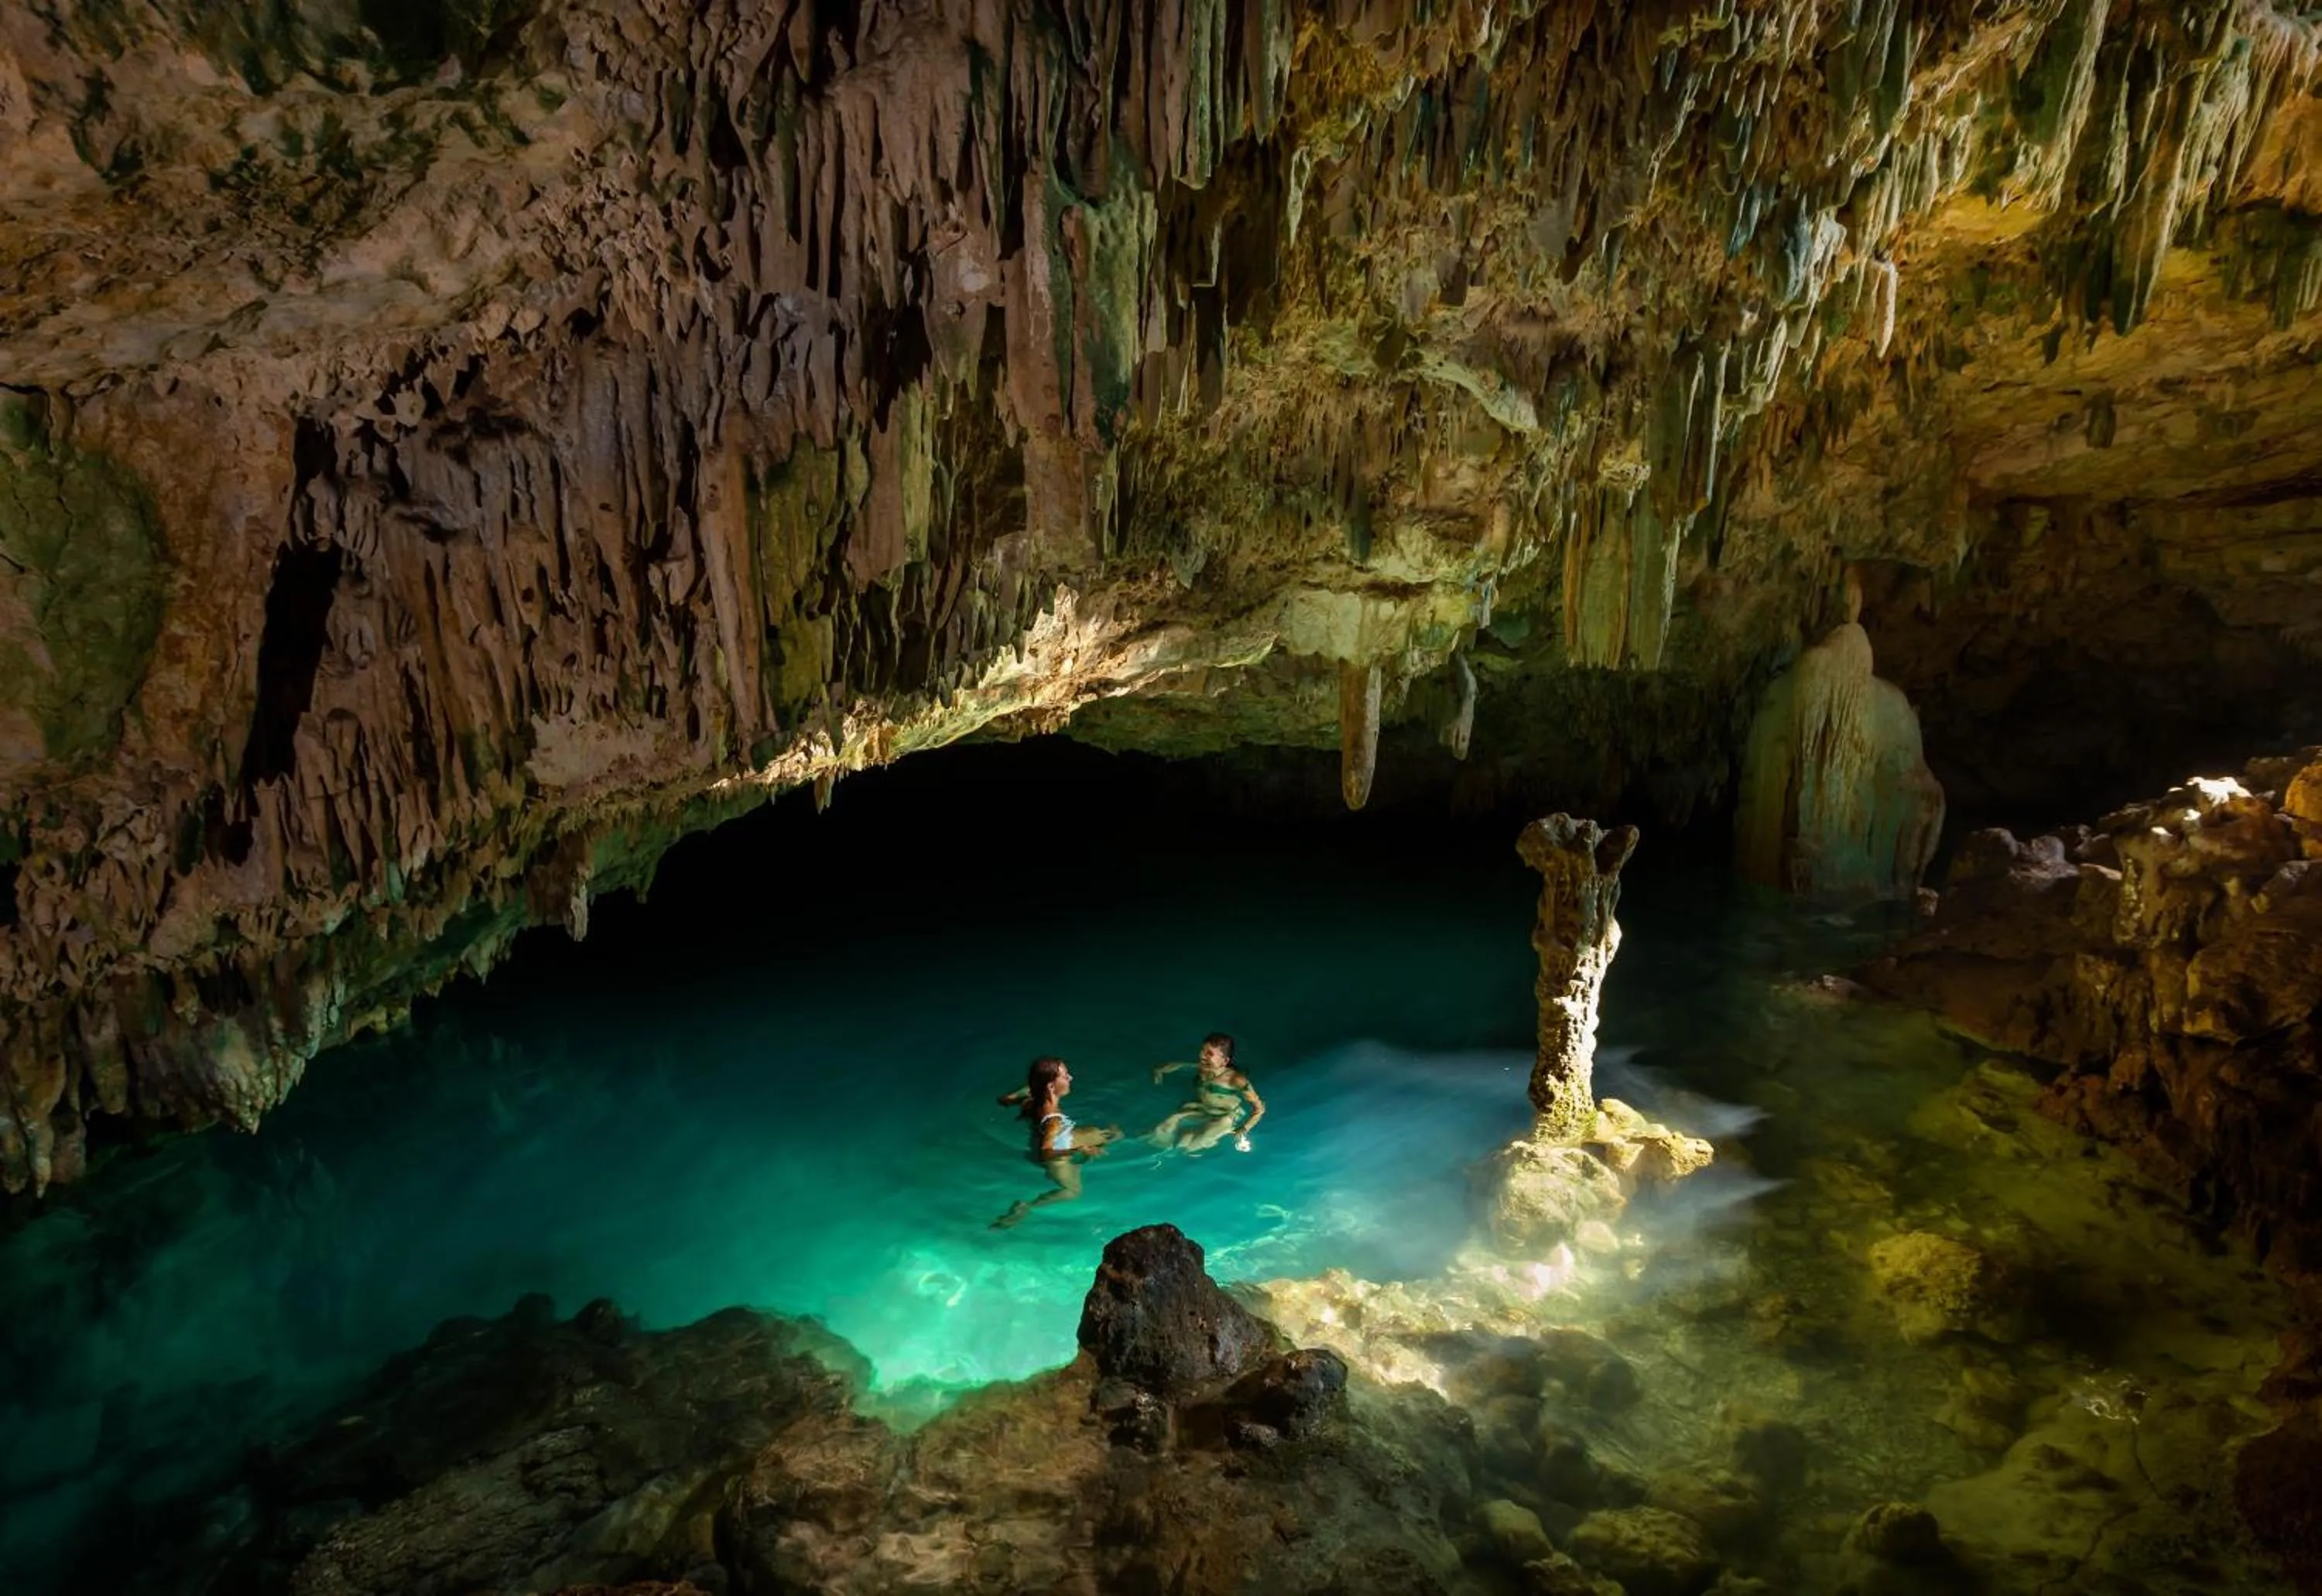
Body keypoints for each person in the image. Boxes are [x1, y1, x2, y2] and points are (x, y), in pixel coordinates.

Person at [992, 1056, 1120, 1228]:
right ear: (1051, 1086)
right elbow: (1046, 1152)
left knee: (1108, 1134)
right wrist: (1077, 1150)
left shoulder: (1033, 1098)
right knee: (1074, 1192)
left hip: (1047, 1136)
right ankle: (1028, 1207)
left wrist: (1008, 1099)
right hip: (1056, 1157)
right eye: (1065, 1076)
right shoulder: (1053, 1120)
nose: (1070, 1078)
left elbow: (1018, 1094)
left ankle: (1081, 1162)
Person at [1149, 1032, 1265, 1153]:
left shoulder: (1236, 1080)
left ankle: (1204, 1145)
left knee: (1190, 1147)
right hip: (1204, 1110)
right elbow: (1182, 1065)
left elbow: (1259, 1109)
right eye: (1202, 1051)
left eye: (1209, 1054)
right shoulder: (1204, 1068)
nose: (1202, 1056)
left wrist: (1244, 1128)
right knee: (1169, 1124)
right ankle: (1156, 1151)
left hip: (1225, 1118)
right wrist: (1160, 1070)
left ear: (1224, 1061)